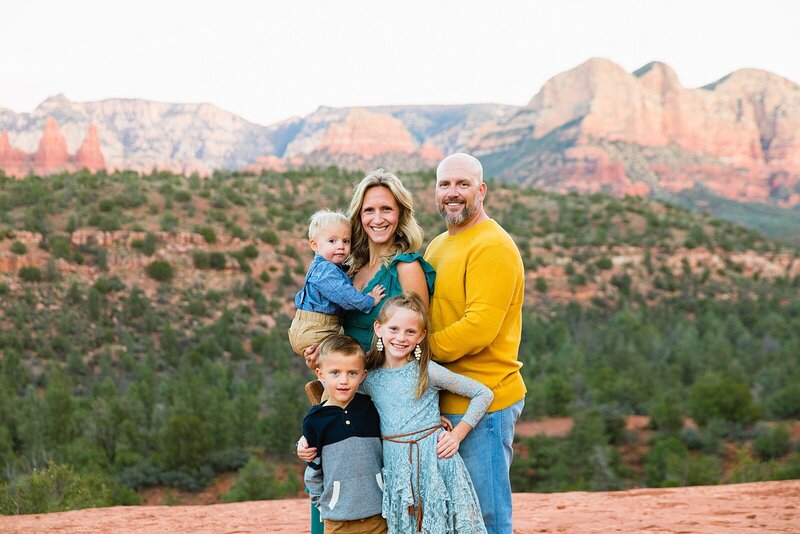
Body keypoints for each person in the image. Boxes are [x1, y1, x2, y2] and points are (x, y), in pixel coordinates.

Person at [306, 293, 492, 533]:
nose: (401, 337)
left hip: (434, 464)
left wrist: (457, 435)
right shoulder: (367, 378)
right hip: (395, 468)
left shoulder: (427, 371)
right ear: (379, 329)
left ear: (421, 336)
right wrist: (307, 437)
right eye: (393, 328)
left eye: (410, 332)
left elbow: (482, 394)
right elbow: (337, 401)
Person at [424, 153, 526, 534]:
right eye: (445, 184)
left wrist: (416, 355)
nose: (453, 193)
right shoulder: (437, 246)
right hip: (442, 404)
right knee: (451, 520)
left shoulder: (492, 245)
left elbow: (479, 328)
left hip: (485, 405)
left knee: (487, 518)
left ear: (481, 190)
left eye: (462, 184)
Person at [303, 169, 435, 368]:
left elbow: (419, 341)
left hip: (389, 389)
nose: (378, 219)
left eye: (387, 209)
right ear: (359, 216)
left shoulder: (407, 268)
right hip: (349, 384)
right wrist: (322, 354)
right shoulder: (350, 270)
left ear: (400, 214)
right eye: (369, 210)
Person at [303, 334, 387, 534]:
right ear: (320, 374)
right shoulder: (315, 419)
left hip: (378, 516)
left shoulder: (371, 408)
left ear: (363, 375)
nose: (344, 380)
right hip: (337, 521)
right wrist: (323, 504)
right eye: (335, 372)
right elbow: (313, 469)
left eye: (352, 373)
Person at [288, 210, 386, 356]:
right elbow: (345, 296)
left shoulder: (323, 268)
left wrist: (347, 272)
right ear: (315, 245)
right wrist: (369, 300)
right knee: (347, 356)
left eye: (345, 241)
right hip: (318, 330)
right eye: (332, 241)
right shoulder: (325, 270)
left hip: (307, 328)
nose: (341, 246)